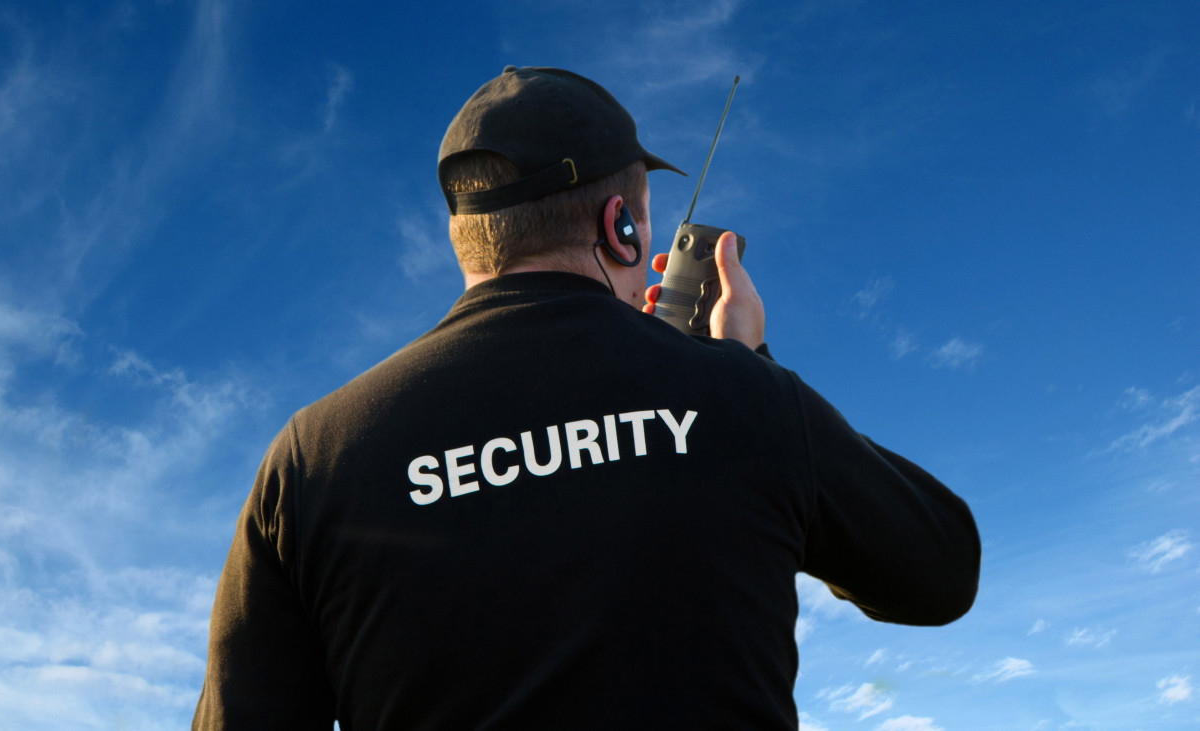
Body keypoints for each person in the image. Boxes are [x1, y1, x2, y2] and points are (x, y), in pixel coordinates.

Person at [192, 66, 980, 730]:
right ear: (622, 229)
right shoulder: (745, 395)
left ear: (466, 236)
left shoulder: (311, 456)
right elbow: (942, 569)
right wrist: (749, 364)